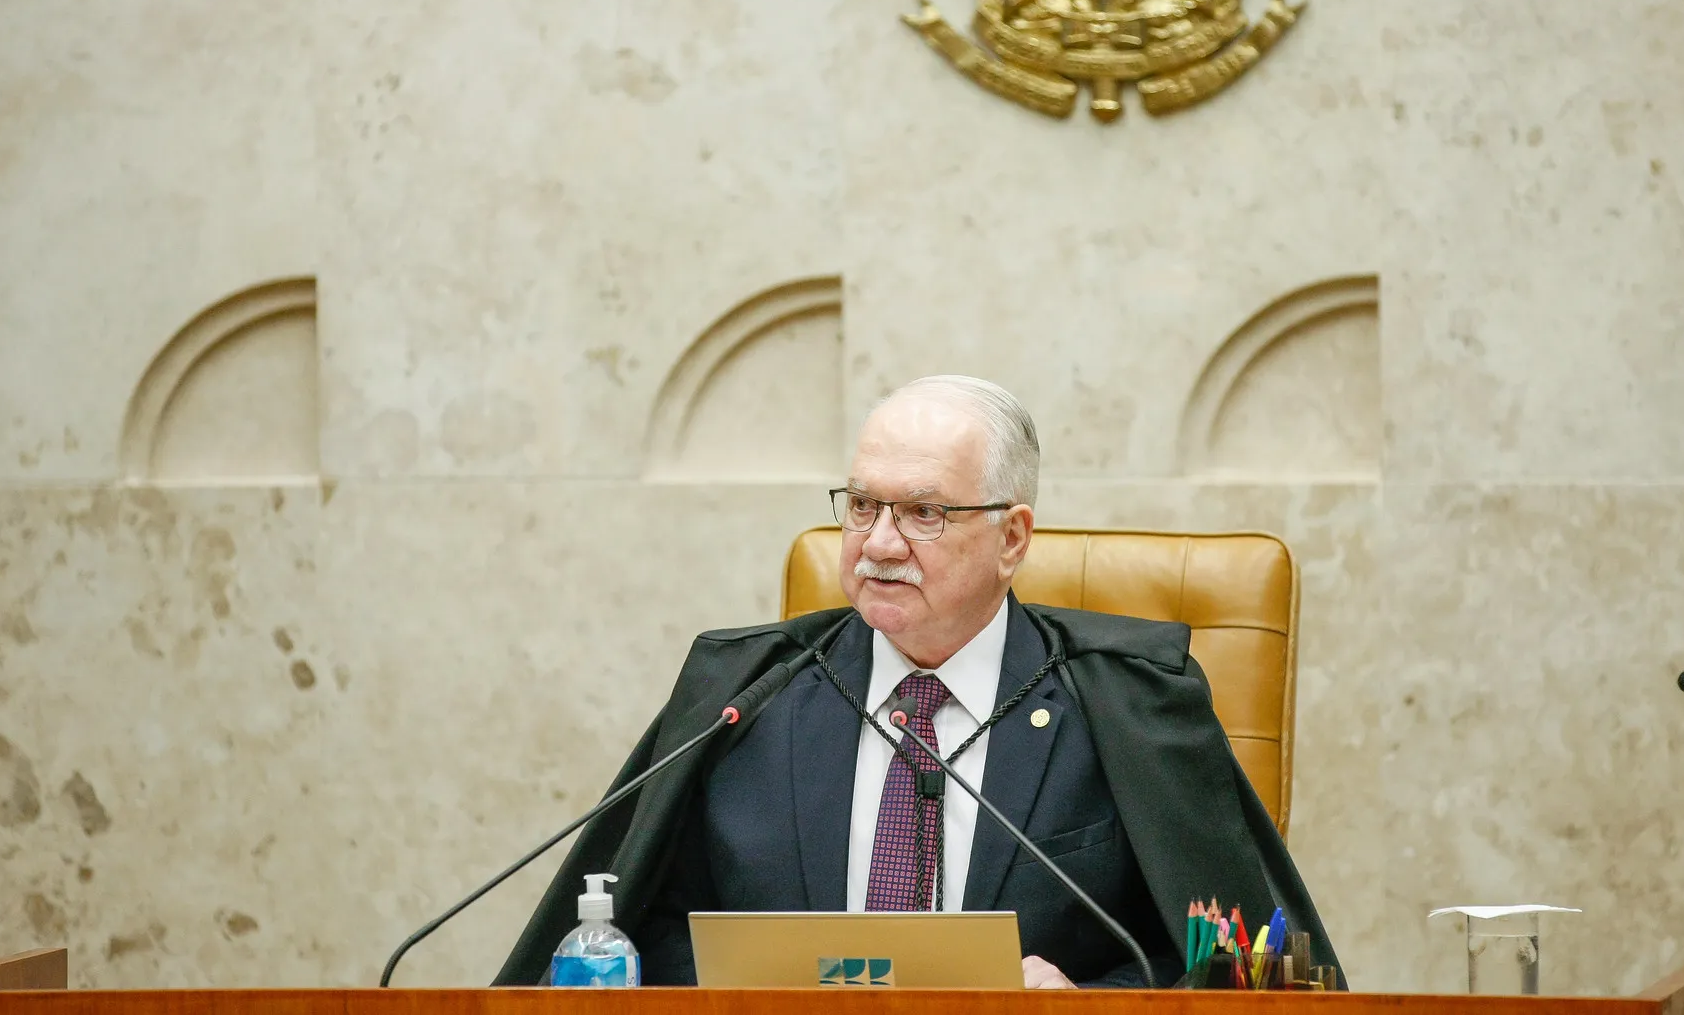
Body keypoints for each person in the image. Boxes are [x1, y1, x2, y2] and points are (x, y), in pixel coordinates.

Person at [495, 375, 1341, 988]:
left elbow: (1260, 970)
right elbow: (633, 936)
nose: (879, 543)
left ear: (1012, 538)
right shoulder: (747, 694)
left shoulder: (1127, 702)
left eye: (924, 512)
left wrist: (1092, 1007)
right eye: (861, 506)